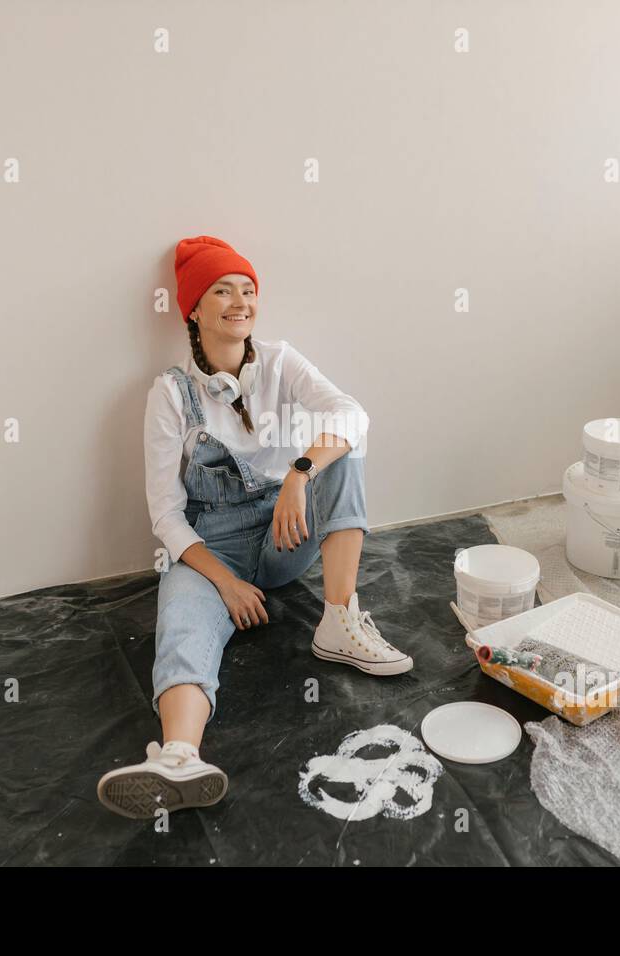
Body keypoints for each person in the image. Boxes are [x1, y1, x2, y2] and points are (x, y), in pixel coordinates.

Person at [97, 236, 413, 819]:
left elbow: (351, 413)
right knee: (183, 631)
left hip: (281, 533)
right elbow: (166, 515)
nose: (240, 301)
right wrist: (225, 583)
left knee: (347, 448)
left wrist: (298, 474)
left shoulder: (281, 360)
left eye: (247, 289)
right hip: (207, 547)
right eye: (222, 290)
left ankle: (339, 621)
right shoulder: (170, 394)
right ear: (192, 309)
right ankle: (178, 757)